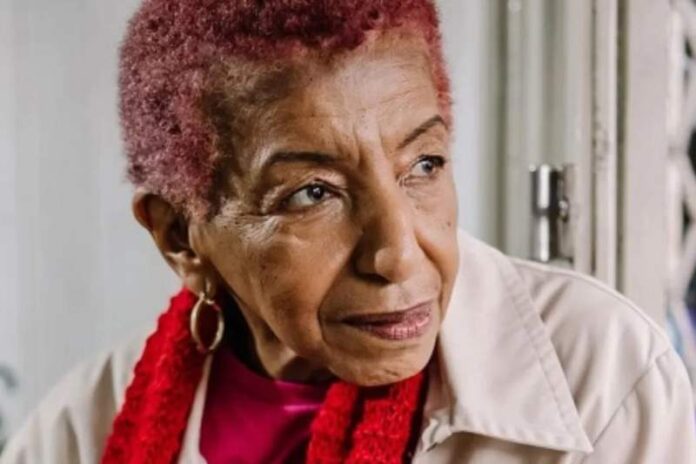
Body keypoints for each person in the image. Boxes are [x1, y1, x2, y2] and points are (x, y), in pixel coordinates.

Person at [3, 0, 696, 462]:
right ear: (181, 236)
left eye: (423, 165)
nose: (398, 253)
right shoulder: (77, 434)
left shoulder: (600, 375)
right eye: (314, 193)